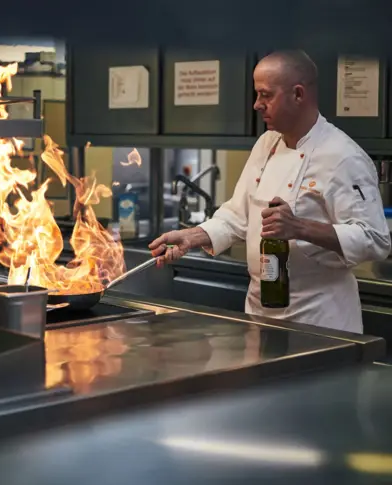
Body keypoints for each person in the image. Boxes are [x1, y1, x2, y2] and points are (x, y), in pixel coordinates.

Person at [149, 50, 391, 333]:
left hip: (319, 319)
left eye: (265, 95)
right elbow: (237, 217)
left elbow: (375, 239)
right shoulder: (267, 144)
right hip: (259, 312)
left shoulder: (342, 156)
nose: (256, 105)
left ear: (298, 94)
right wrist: (190, 237)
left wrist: (299, 227)